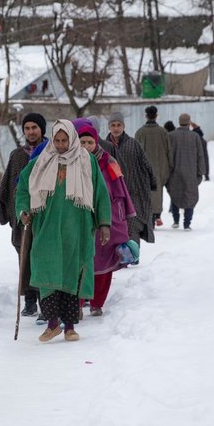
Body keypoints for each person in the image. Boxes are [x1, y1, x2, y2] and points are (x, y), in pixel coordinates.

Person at [15, 120, 111, 342]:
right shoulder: (40, 161)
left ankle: (69, 327)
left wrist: (104, 223)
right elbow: (22, 189)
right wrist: (23, 211)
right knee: (47, 271)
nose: (59, 145)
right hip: (46, 227)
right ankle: (52, 324)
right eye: (56, 140)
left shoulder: (87, 161)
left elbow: (100, 193)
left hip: (76, 227)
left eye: (64, 140)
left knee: (71, 271)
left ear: (71, 139)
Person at [75, 120, 135, 316]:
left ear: (96, 142)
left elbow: (121, 189)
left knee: (103, 261)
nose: (85, 147)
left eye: (89, 143)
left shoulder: (109, 162)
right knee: (81, 262)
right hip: (80, 220)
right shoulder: (71, 164)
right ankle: (79, 301)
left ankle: (97, 302)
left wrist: (123, 215)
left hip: (107, 219)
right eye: (82, 143)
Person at [0, 112, 48, 319]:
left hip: (44, 216)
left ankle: (46, 302)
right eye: (27, 128)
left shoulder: (50, 153)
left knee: (43, 258)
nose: (31, 132)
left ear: (42, 129)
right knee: (24, 256)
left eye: (34, 127)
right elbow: (8, 184)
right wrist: (8, 209)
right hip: (22, 216)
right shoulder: (17, 155)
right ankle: (29, 300)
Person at [106, 112, 157, 249]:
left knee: (132, 224)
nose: (116, 128)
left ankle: (133, 256)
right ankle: (117, 257)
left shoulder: (133, 144)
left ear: (124, 126)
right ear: (109, 127)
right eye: (113, 125)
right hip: (113, 193)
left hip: (133, 191)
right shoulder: (104, 147)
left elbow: (146, 163)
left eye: (119, 125)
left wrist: (152, 182)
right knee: (115, 224)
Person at [167, 113, 206, 229]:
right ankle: (187, 223)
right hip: (191, 172)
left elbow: (168, 155)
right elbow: (200, 155)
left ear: (179, 122)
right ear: (189, 123)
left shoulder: (171, 136)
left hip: (175, 172)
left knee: (175, 195)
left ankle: (176, 220)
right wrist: (201, 172)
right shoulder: (195, 136)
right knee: (190, 197)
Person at [135, 106, 172, 227]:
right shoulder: (163, 132)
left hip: (143, 169)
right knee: (157, 193)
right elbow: (169, 151)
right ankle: (157, 215)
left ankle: (149, 218)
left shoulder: (140, 132)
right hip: (161, 168)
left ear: (146, 116)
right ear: (156, 116)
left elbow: (135, 153)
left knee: (146, 193)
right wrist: (170, 167)